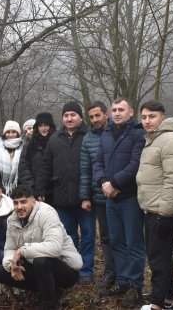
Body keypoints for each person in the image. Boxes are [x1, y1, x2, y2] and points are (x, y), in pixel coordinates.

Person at [0, 185, 82, 310]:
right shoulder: (12, 219)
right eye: (16, 203)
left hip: (64, 268)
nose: (19, 207)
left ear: (34, 201)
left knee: (41, 261)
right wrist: (12, 265)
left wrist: (22, 250)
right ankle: (47, 291)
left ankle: (50, 304)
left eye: (24, 202)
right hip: (36, 266)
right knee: (0, 272)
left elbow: (55, 247)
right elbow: (10, 248)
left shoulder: (47, 213)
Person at [34, 101, 94, 284]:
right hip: (61, 197)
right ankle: (70, 269)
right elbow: (45, 166)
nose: (69, 118)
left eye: (73, 115)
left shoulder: (89, 136)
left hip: (86, 198)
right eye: (66, 115)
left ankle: (86, 271)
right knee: (67, 236)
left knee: (89, 234)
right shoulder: (54, 138)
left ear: (80, 117)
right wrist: (41, 188)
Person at [93, 98, 146, 302]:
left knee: (134, 243)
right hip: (110, 199)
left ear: (130, 112)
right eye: (114, 110)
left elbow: (135, 164)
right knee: (116, 241)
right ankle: (123, 282)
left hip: (129, 198)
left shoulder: (137, 134)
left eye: (121, 110)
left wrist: (114, 183)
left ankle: (136, 286)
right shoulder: (106, 134)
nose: (117, 113)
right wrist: (104, 182)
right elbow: (98, 162)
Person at [136, 100, 173, 310]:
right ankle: (168, 299)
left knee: (158, 258)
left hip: (162, 210)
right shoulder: (153, 139)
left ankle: (156, 303)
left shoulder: (171, 140)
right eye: (144, 117)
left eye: (152, 116)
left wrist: (165, 213)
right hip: (152, 207)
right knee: (160, 255)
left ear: (163, 118)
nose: (147, 121)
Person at [79, 101, 115, 288]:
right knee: (106, 237)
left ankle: (126, 275)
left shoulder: (117, 132)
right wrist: (85, 197)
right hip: (100, 197)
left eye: (97, 115)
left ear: (105, 114)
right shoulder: (88, 139)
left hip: (122, 194)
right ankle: (110, 273)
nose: (95, 120)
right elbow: (85, 170)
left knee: (123, 237)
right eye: (91, 117)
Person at [17, 112, 55, 191]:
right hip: (36, 189)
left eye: (46, 125)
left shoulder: (57, 142)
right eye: (40, 125)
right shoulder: (30, 145)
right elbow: (23, 167)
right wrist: (32, 186)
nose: (43, 128)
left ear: (51, 126)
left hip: (56, 189)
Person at [0, 120, 24, 196]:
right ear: (4, 134)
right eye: (8, 132)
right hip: (1, 187)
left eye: (13, 132)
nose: (11, 134)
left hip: (18, 186)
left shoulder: (23, 147)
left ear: (18, 134)